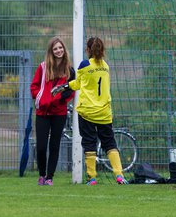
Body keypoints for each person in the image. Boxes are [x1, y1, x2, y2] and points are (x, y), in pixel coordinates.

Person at [51, 37, 128, 185]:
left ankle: (92, 177)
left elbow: (78, 84)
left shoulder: (84, 65)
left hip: (87, 111)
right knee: (110, 143)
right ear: (102, 50)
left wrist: (63, 86)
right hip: (104, 112)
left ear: (87, 50)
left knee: (89, 143)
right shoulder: (106, 66)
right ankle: (119, 175)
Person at [30, 37, 75, 186]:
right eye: (55, 49)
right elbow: (34, 87)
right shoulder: (42, 68)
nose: (58, 51)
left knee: (55, 145)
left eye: (60, 48)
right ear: (51, 51)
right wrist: (41, 100)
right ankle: (41, 175)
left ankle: (49, 177)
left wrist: (58, 100)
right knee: (41, 146)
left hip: (59, 113)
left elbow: (70, 90)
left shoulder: (69, 70)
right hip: (42, 112)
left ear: (64, 49)